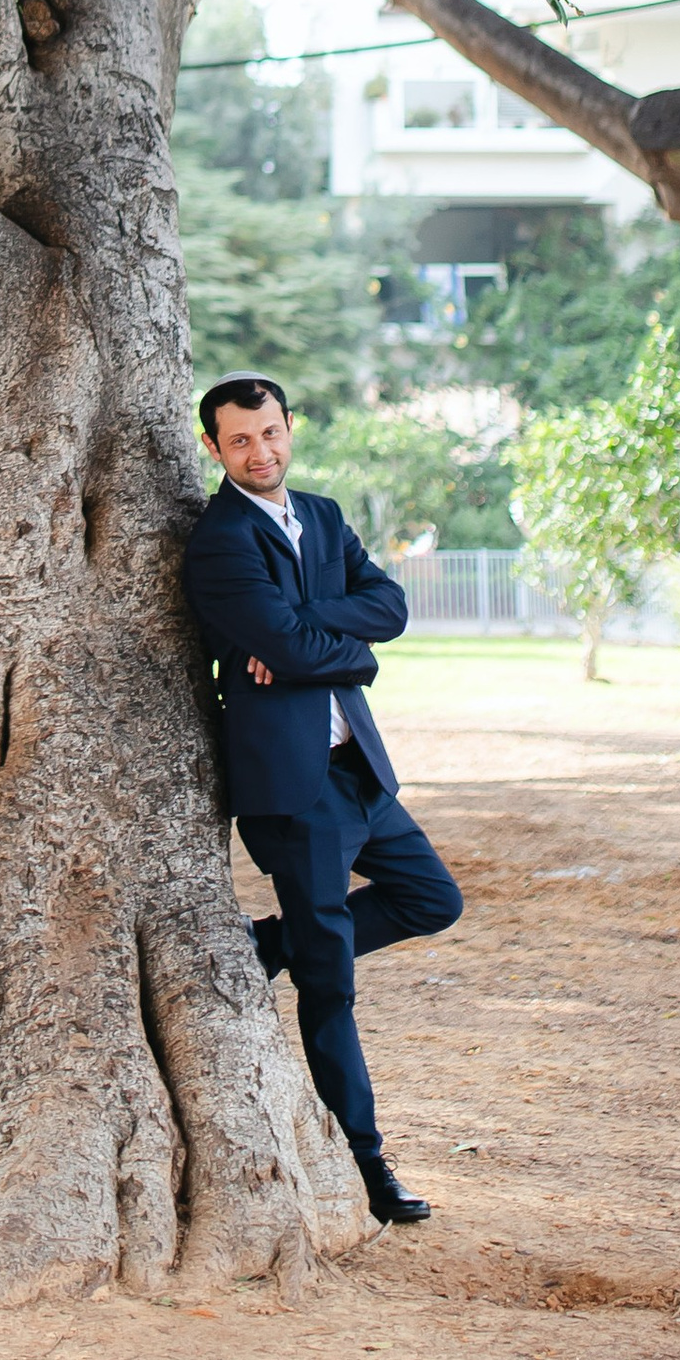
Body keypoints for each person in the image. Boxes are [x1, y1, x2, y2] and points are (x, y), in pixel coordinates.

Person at [181, 370, 461, 1228]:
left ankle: (274, 943)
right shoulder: (221, 540)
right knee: (331, 987)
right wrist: (346, 649)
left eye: (269, 432)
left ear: (289, 427)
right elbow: (305, 646)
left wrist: (310, 632)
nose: (259, 452)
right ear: (213, 448)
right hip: (292, 788)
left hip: (358, 770)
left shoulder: (326, 516)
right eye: (239, 441)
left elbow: (391, 607)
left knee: (432, 898)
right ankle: (366, 1163)